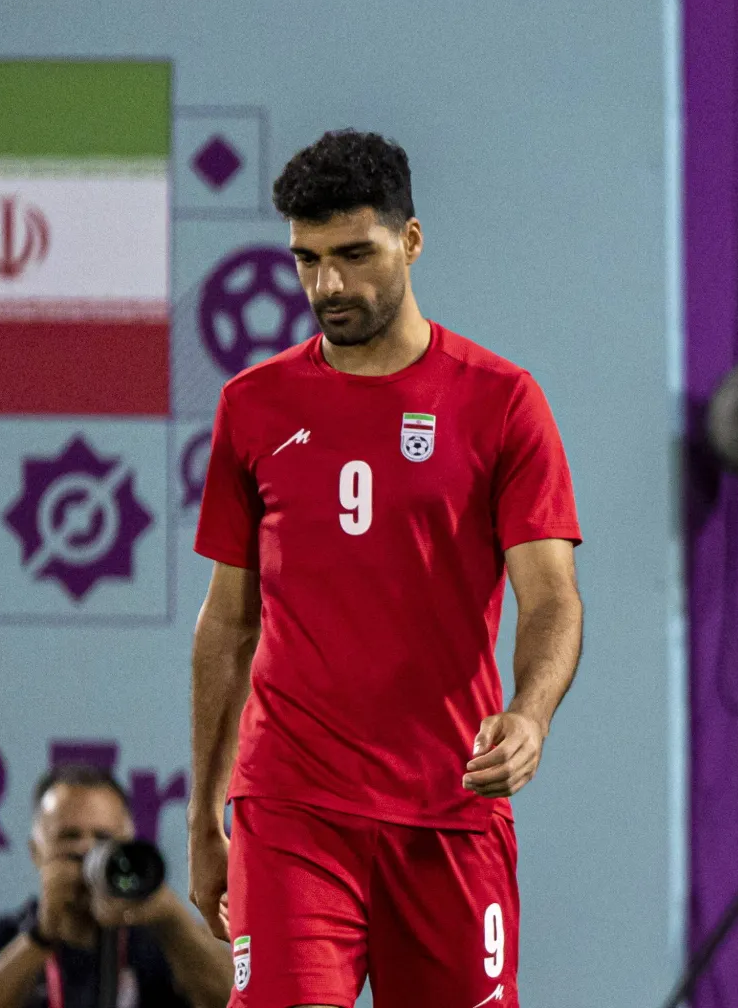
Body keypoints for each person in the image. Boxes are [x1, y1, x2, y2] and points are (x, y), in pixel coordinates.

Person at [188, 129, 583, 1008]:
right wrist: (201, 818)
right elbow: (227, 624)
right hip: (292, 807)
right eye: (307, 260)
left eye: (355, 255)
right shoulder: (251, 409)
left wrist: (531, 715)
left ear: (410, 241)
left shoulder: (502, 402)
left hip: (448, 808)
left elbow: (550, 596)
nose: (329, 285)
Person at [0, 764, 232, 1008]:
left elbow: (239, 1000)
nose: (88, 850)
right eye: (70, 837)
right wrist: (41, 935)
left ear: (127, 844)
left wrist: (173, 920)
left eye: (103, 837)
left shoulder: (162, 943)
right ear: (36, 851)